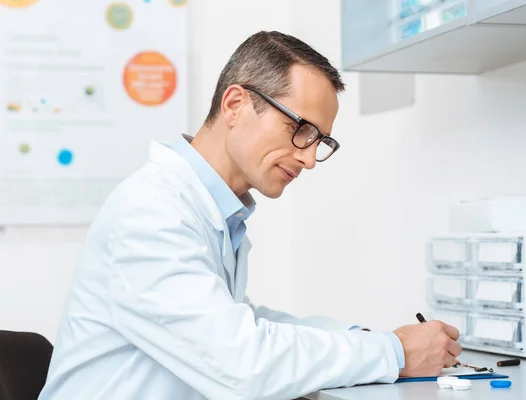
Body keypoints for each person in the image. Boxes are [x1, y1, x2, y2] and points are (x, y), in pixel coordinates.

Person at [38, 31, 461, 400]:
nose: (310, 158)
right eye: (301, 129)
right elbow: (242, 364)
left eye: (321, 141)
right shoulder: (151, 211)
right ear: (236, 104)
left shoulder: (210, 211)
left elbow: (242, 321)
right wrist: (395, 353)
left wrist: (366, 341)